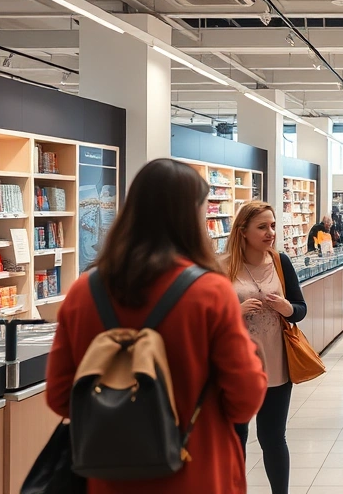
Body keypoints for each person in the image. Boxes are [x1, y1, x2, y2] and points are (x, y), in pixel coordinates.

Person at [45, 159, 267, 494]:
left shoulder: (84, 292)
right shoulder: (210, 292)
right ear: (191, 216)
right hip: (197, 468)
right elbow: (245, 400)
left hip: (109, 475)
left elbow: (61, 396)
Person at [225, 200, 308, 494]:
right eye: (262, 227)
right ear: (243, 230)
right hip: (236, 367)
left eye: (272, 225)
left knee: (273, 437)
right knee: (235, 437)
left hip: (276, 363)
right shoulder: (223, 267)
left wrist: (288, 308)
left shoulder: (280, 262)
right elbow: (207, 319)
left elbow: (300, 308)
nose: (270, 232)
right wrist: (234, 311)